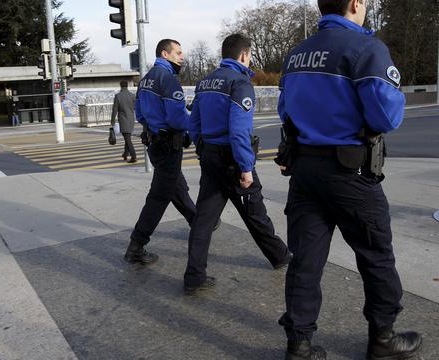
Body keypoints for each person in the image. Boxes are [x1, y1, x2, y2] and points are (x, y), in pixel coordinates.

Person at [275, 1, 422, 359]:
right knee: (375, 254)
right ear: (356, 3)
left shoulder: (297, 54)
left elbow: (285, 110)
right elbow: (386, 115)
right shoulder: (366, 48)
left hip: (305, 171)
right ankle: (383, 339)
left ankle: (299, 344)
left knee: (305, 259)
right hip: (349, 173)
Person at [183, 34, 292, 294]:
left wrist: (203, 150)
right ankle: (280, 256)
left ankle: (194, 276)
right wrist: (245, 168)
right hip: (232, 158)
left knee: (204, 219)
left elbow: (194, 124)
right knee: (254, 210)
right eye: (250, 55)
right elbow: (239, 131)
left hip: (209, 155)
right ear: (243, 55)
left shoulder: (205, 82)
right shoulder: (240, 82)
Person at [123, 39, 197, 265]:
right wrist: (194, 123)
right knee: (159, 196)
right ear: (165, 54)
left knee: (176, 185)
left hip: (154, 143)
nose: (181, 57)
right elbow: (177, 118)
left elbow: (140, 113)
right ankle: (137, 245)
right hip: (168, 145)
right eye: (178, 52)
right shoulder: (168, 80)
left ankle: (198, 222)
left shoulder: (145, 79)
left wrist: (154, 127)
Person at [111, 80, 137, 163]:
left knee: (127, 139)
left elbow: (115, 109)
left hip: (123, 119)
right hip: (131, 119)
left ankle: (133, 156)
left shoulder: (118, 96)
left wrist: (112, 120)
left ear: (120, 86)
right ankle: (125, 154)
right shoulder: (132, 96)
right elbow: (136, 107)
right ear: (127, 86)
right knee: (127, 137)